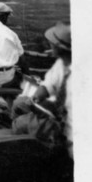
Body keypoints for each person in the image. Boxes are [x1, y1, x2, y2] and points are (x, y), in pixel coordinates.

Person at [12, 22, 72, 157]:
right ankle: (33, 141)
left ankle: (30, 151)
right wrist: (34, 99)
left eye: (53, 43)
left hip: (64, 124)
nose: (50, 44)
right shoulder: (61, 64)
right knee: (19, 103)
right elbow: (47, 86)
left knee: (19, 123)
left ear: (60, 47)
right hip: (55, 111)